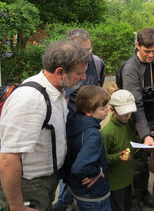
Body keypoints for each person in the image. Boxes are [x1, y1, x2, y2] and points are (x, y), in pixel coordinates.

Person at [0, 40, 91, 211]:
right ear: (60, 72)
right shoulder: (31, 100)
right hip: (27, 186)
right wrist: (17, 206)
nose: (83, 78)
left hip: (44, 181)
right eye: (79, 73)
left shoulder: (57, 92)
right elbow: (8, 159)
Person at [53, 28, 106, 210]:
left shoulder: (97, 63)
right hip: (69, 130)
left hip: (89, 125)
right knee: (69, 168)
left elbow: (98, 90)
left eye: (89, 50)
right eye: (82, 52)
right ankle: (65, 202)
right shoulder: (60, 72)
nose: (87, 56)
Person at [121, 27, 154, 210]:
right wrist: (145, 134)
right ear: (137, 45)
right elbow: (135, 106)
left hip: (152, 117)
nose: (151, 55)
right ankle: (133, 199)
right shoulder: (130, 70)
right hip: (136, 121)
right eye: (147, 51)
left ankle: (144, 192)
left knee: (149, 158)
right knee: (137, 161)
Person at [58, 85, 111, 210]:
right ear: (89, 111)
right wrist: (97, 171)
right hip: (94, 195)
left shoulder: (72, 121)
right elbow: (80, 167)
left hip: (76, 187)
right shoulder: (93, 135)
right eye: (103, 108)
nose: (107, 110)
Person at [101, 89, 139, 211]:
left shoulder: (129, 123)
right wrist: (118, 157)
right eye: (123, 113)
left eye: (130, 112)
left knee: (128, 205)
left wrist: (145, 138)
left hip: (128, 178)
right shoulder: (107, 132)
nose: (127, 116)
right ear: (112, 110)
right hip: (115, 183)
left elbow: (132, 140)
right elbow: (102, 159)